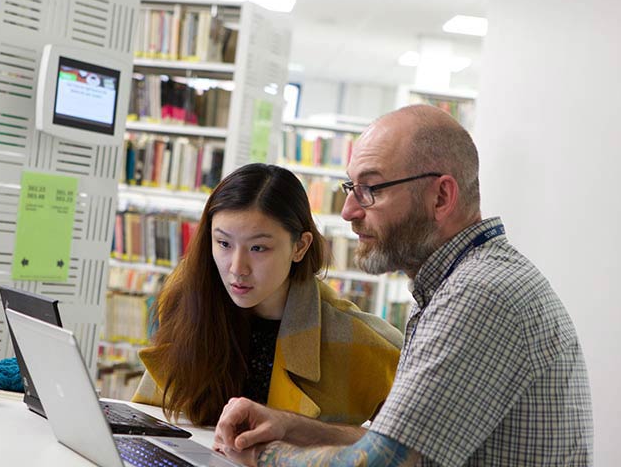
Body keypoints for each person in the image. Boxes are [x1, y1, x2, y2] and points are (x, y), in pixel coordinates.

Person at [213, 105, 593, 466]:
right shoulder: (456, 284)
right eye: (351, 188)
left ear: (441, 196)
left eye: (371, 189)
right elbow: (396, 444)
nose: (349, 211)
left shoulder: (480, 294)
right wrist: (290, 426)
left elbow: (382, 462)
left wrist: (263, 456)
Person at [131, 163, 403, 426]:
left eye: (258, 248)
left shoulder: (360, 340)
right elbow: (151, 420)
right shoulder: (187, 302)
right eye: (224, 243)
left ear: (300, 246)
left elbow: (415, 450)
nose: (237, 268)